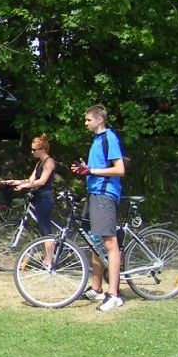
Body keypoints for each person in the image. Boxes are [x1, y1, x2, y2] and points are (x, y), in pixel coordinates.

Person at [71, 104, 126, 312]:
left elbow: (119, 169)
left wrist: (92, 169)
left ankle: (114, 294)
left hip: (105, 194)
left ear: (100, 120)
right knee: (94, 240)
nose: (86, 123)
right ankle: (97, 288)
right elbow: (95, 168)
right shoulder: (96, 141)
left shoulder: (109, 137)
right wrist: (85, 170)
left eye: (88, 120)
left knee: (109, 243)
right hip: (94, 193)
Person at [3, 134, 56, 264]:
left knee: (45, 229)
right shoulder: (39, 163)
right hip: (37, 196)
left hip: (45, 197)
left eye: (34, 150)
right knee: (41, 228)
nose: (32, 152)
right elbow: (31, 180)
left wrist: (23, 186)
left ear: (42, 149)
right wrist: (15, 181)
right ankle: (47, 257)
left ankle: (49, 260)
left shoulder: (49, 162)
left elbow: (42, 181)